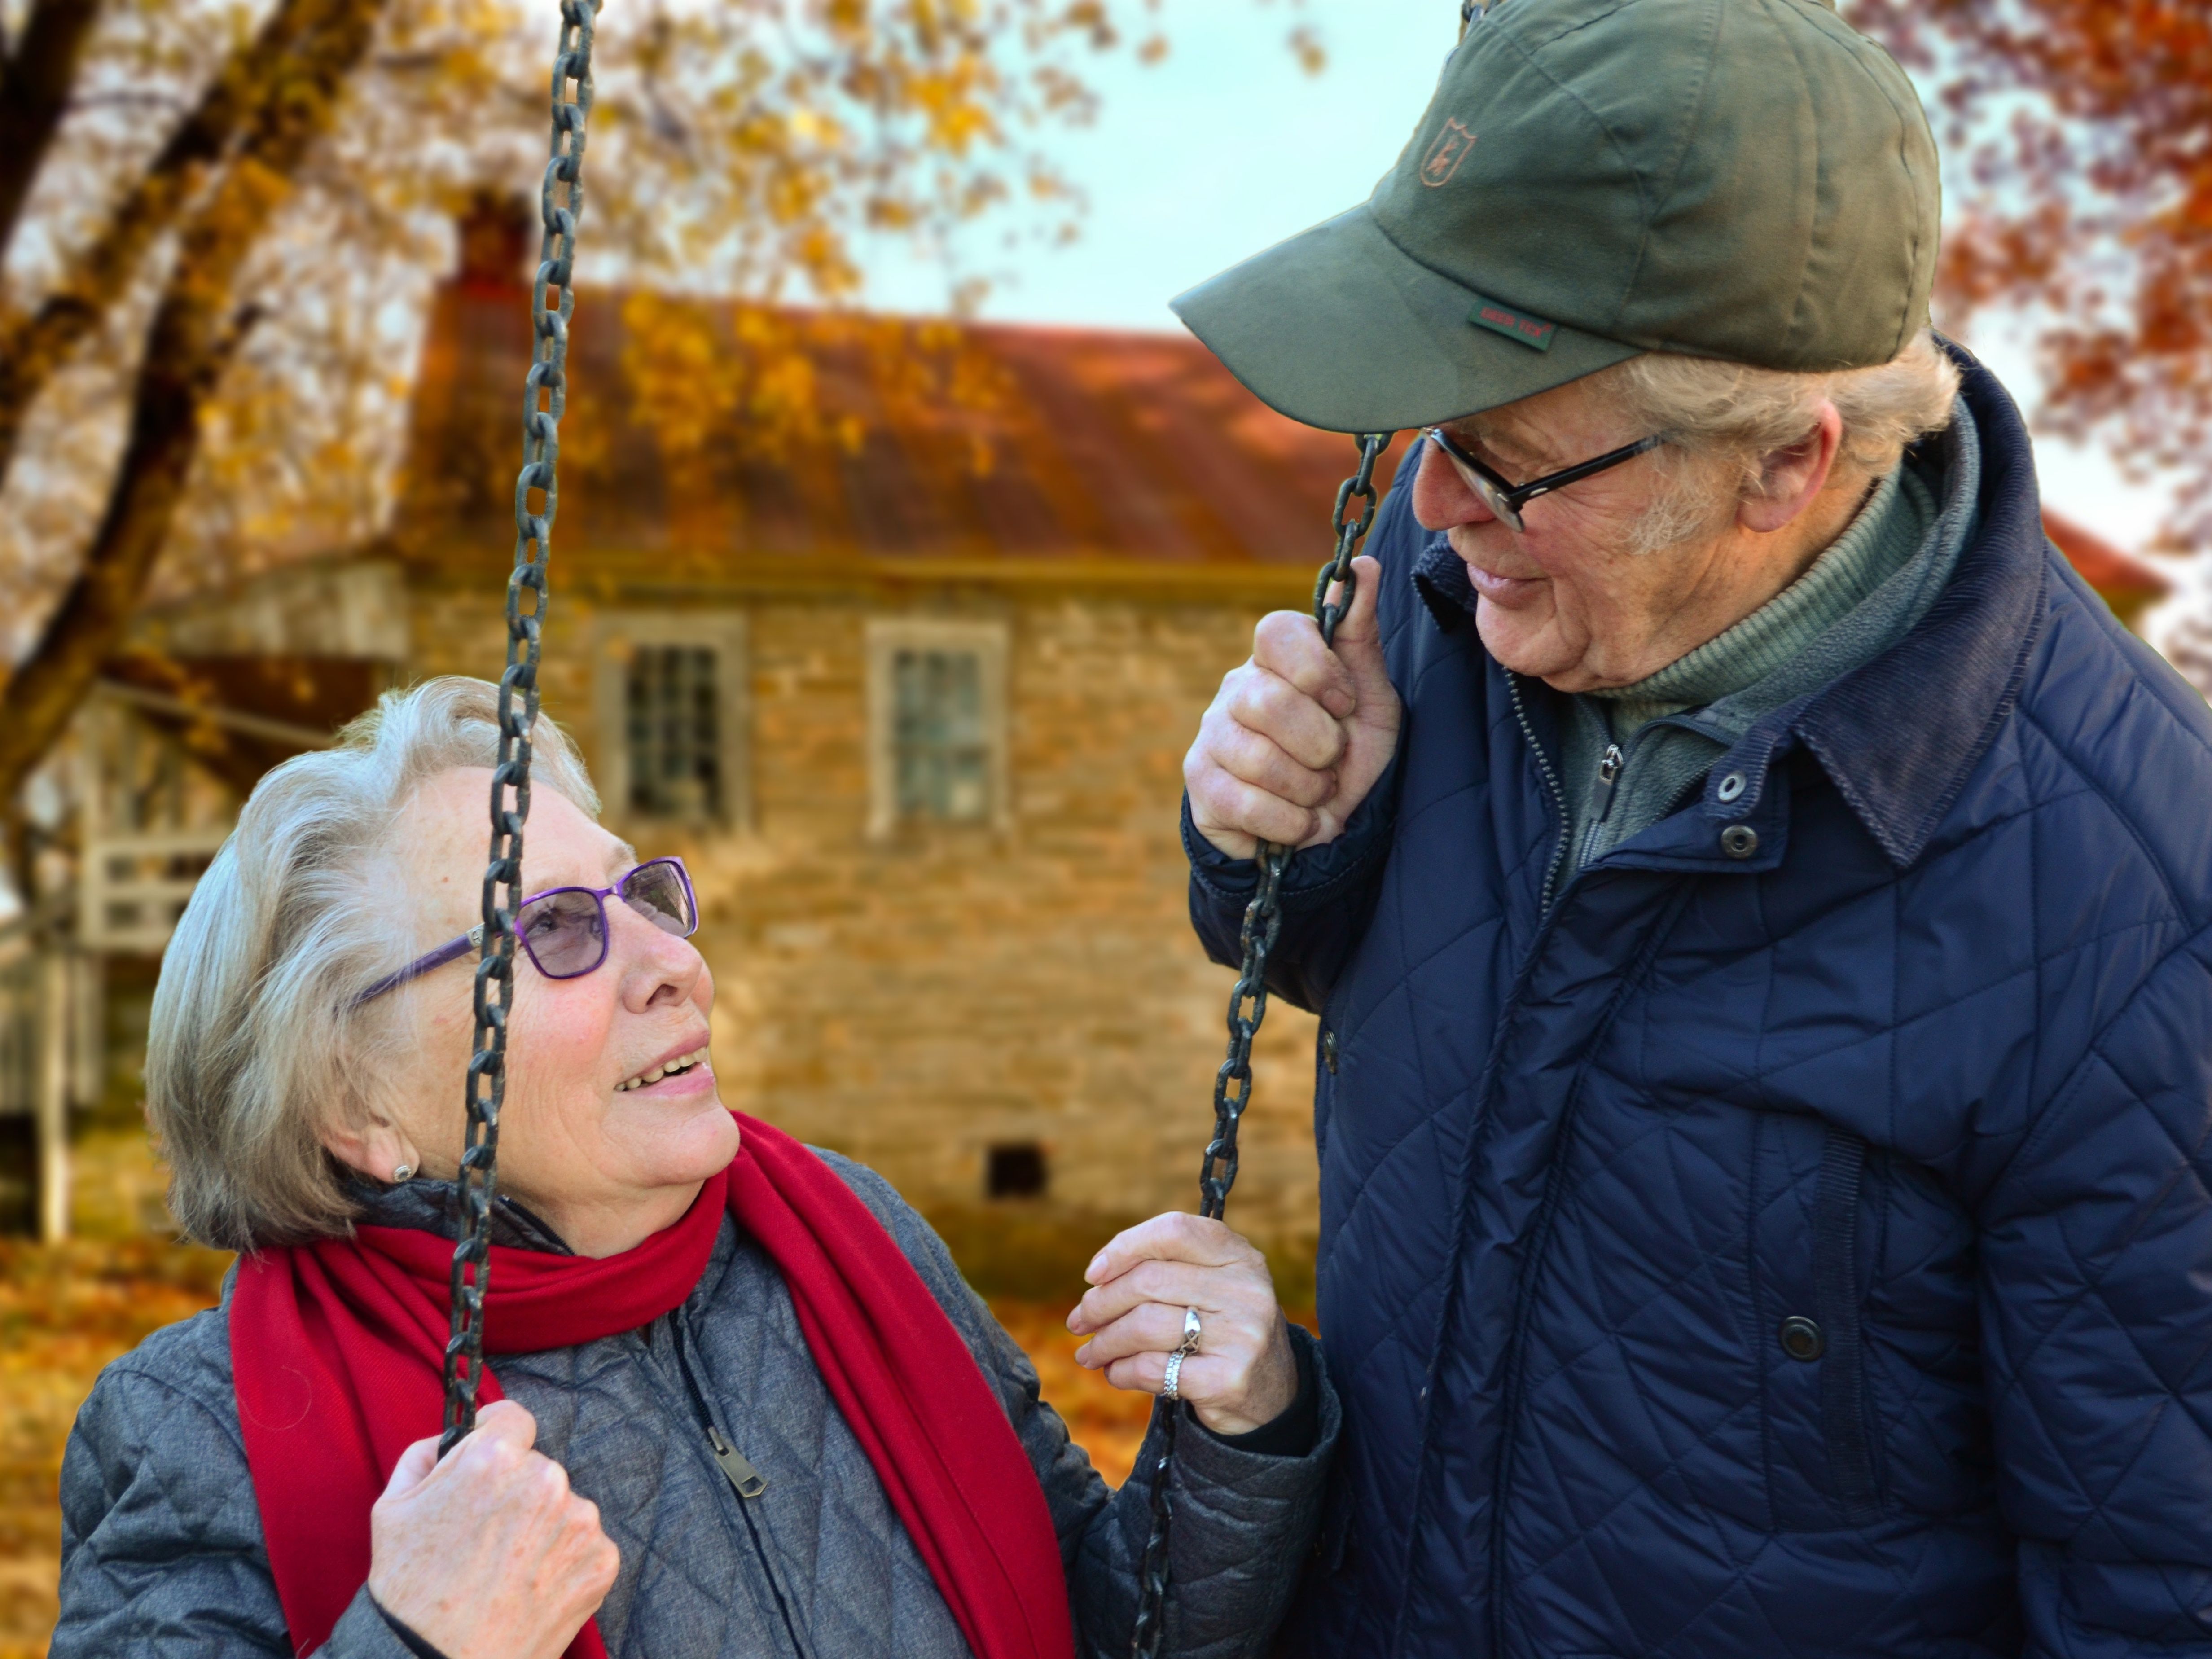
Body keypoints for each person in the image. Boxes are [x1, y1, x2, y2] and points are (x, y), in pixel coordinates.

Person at [1175, 1, 2212, 1655]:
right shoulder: (1472, 573)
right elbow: (1333, 956)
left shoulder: (2142, 911)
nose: (1434, 505)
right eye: (1428, 435)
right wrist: (1277, 831)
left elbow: (2163, 1588)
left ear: (1784, 466)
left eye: (1505, 463)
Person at [54, 676, 1335, 1659]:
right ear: (357, 1105)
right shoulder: (198, 1426)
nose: (670, 960)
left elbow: (1101, 1623)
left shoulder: (849, 1242)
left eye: (642, 897)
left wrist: (1237, 1431)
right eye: (553, 931)